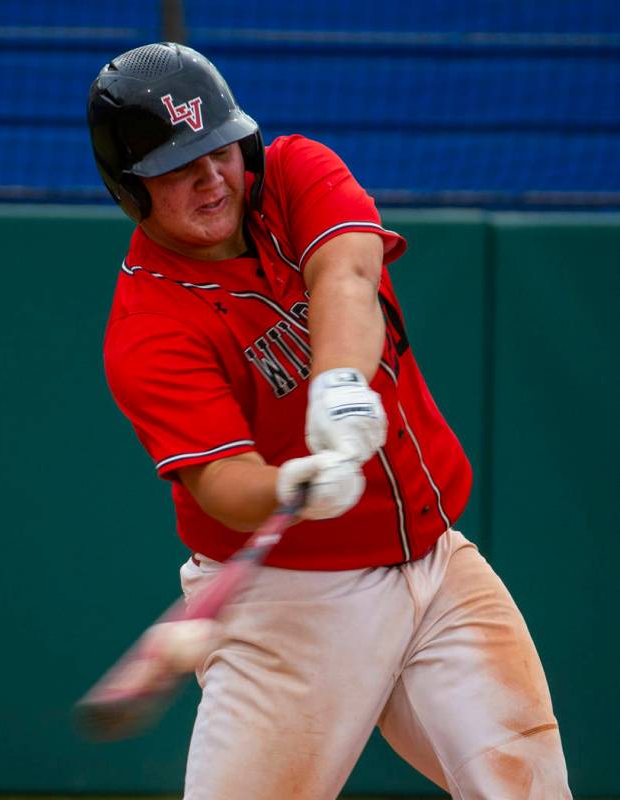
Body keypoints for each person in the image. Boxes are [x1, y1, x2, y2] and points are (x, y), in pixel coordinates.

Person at [88, 42, 571, 799]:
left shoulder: (296, 172)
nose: (210, 177)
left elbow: (346, 272)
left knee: (528, 788)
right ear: (131, 190)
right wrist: (291, 485)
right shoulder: (148, 326)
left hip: (436, 563)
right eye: (175, 168)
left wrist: (340, 386)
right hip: (289, 604)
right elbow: (221, 482)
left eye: (217, 150)